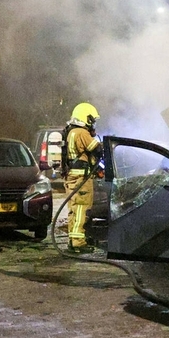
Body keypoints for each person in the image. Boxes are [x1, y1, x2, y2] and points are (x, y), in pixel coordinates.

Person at [63, 102, 102, 250]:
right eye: (92, 120)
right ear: (86, 117)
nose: (93, 123)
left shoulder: (70, 131)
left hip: (72, 176)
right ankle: (79, 243)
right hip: (81, 178)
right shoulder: (81, 133)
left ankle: (73, 240)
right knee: (81, 208)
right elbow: (97, 149)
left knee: (74, 208)